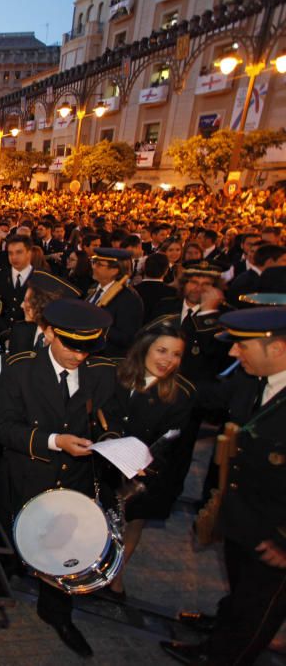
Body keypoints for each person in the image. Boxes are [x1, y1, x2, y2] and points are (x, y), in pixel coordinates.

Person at [0, 298, 116, 658]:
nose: (78, 356)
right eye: (71, 346)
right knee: (4, 546)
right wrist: (55, 442)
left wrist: (111, 444)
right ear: (50, 333)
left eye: (87, 349)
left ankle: (56, 613)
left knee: (62, 552)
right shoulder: (20, 370)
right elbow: (2, 429)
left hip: (72, 484)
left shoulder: (100, 372)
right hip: (24, 479)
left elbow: (108, 422)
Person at [161, 308, 286, 666]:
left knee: (255, 616)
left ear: (276, 349)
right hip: (242, 519)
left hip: (275, 539)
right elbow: (208, 396)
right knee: (239, 596)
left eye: (241, 346)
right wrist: (154, 377)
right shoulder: (253, 379)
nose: (233, 353)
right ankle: (214, 644)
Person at [100, 318, 194, 601]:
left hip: (142, 474)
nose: (168, 360)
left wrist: (144, 466)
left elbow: (173, 445)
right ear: (144, 349)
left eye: (176, 354)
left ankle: (115, 577)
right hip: (103, 463)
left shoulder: (181, 395)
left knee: (132, 523)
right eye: (162, 351)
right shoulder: (114, 372)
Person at [87, 247, 144, 357]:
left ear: (115, 270)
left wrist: (97, 324)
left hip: (108, 359)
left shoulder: (128, 298)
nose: (94, 267)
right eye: (94, 262)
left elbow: (127, 338)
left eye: (99, 264)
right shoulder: (94, 289)